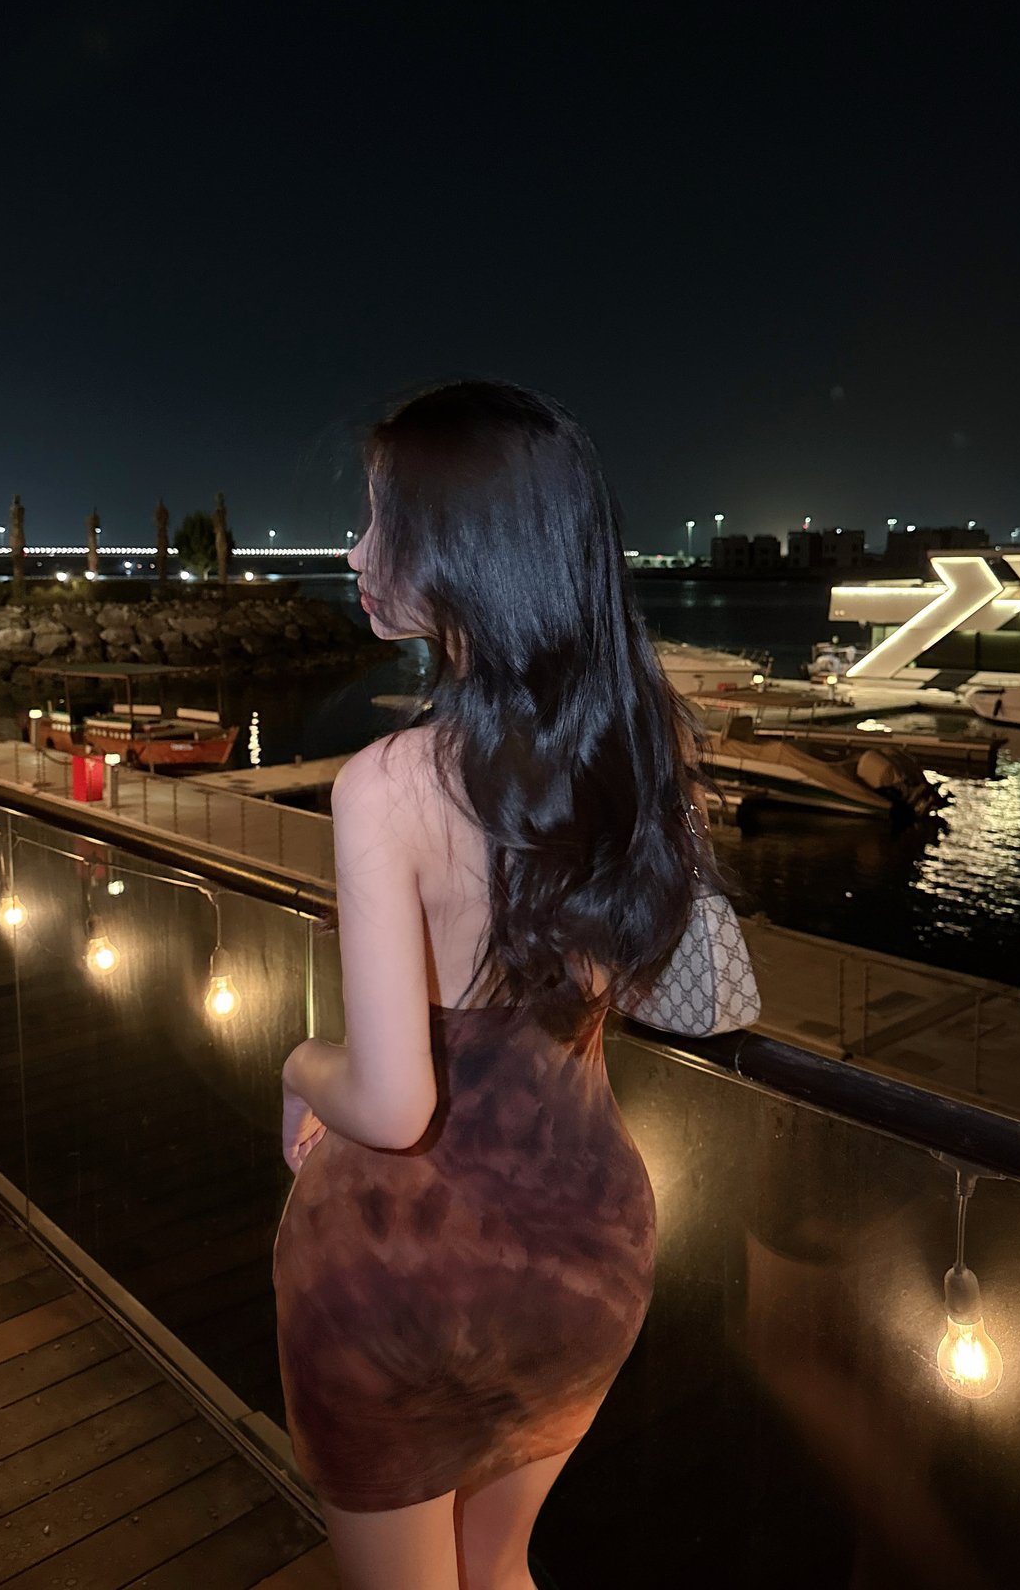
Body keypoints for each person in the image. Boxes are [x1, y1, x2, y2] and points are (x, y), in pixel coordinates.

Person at [273, 380, 726, 1590]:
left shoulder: (387, 786)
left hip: (404, 1276)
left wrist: (299, 1065)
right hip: (585, 1248)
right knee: (502, 1568)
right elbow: (669, 979)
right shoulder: (641, 747)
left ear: (465, 548)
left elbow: (393, 1107)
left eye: (383, 520)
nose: (357, 551)